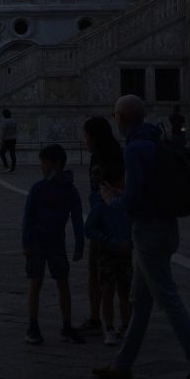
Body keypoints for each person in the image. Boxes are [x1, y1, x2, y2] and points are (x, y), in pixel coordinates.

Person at [92, 95, 190, 379]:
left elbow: (132, 200)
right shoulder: (157, 142)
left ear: (121, 119)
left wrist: (111, 199)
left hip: (149, 231)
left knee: (169, 300)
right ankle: (122, 364)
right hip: (167, 226)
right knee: (141, 302)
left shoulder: (135, 149)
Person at [22, 145, 85, 345]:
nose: (42, 165)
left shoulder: (58, 189)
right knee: (40, 282)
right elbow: (28, 217)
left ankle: (64, 325)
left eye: (44, 161)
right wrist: (26, 242)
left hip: (51, 241)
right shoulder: (44, 188)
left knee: (56, 282)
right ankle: (34, 325)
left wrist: (79, 244)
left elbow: (76, 219)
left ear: (55, 163)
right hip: (41, 241)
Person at [79, 117, 126, 335]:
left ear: (94, 137)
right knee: (121, 275)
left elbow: (100, 191)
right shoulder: (117, 155)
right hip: (119, 222)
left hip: (103, 222)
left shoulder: (99, 159)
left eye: (86, 135)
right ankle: (123, 320)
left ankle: (98, 317)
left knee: (96, 271)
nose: (84, 139)